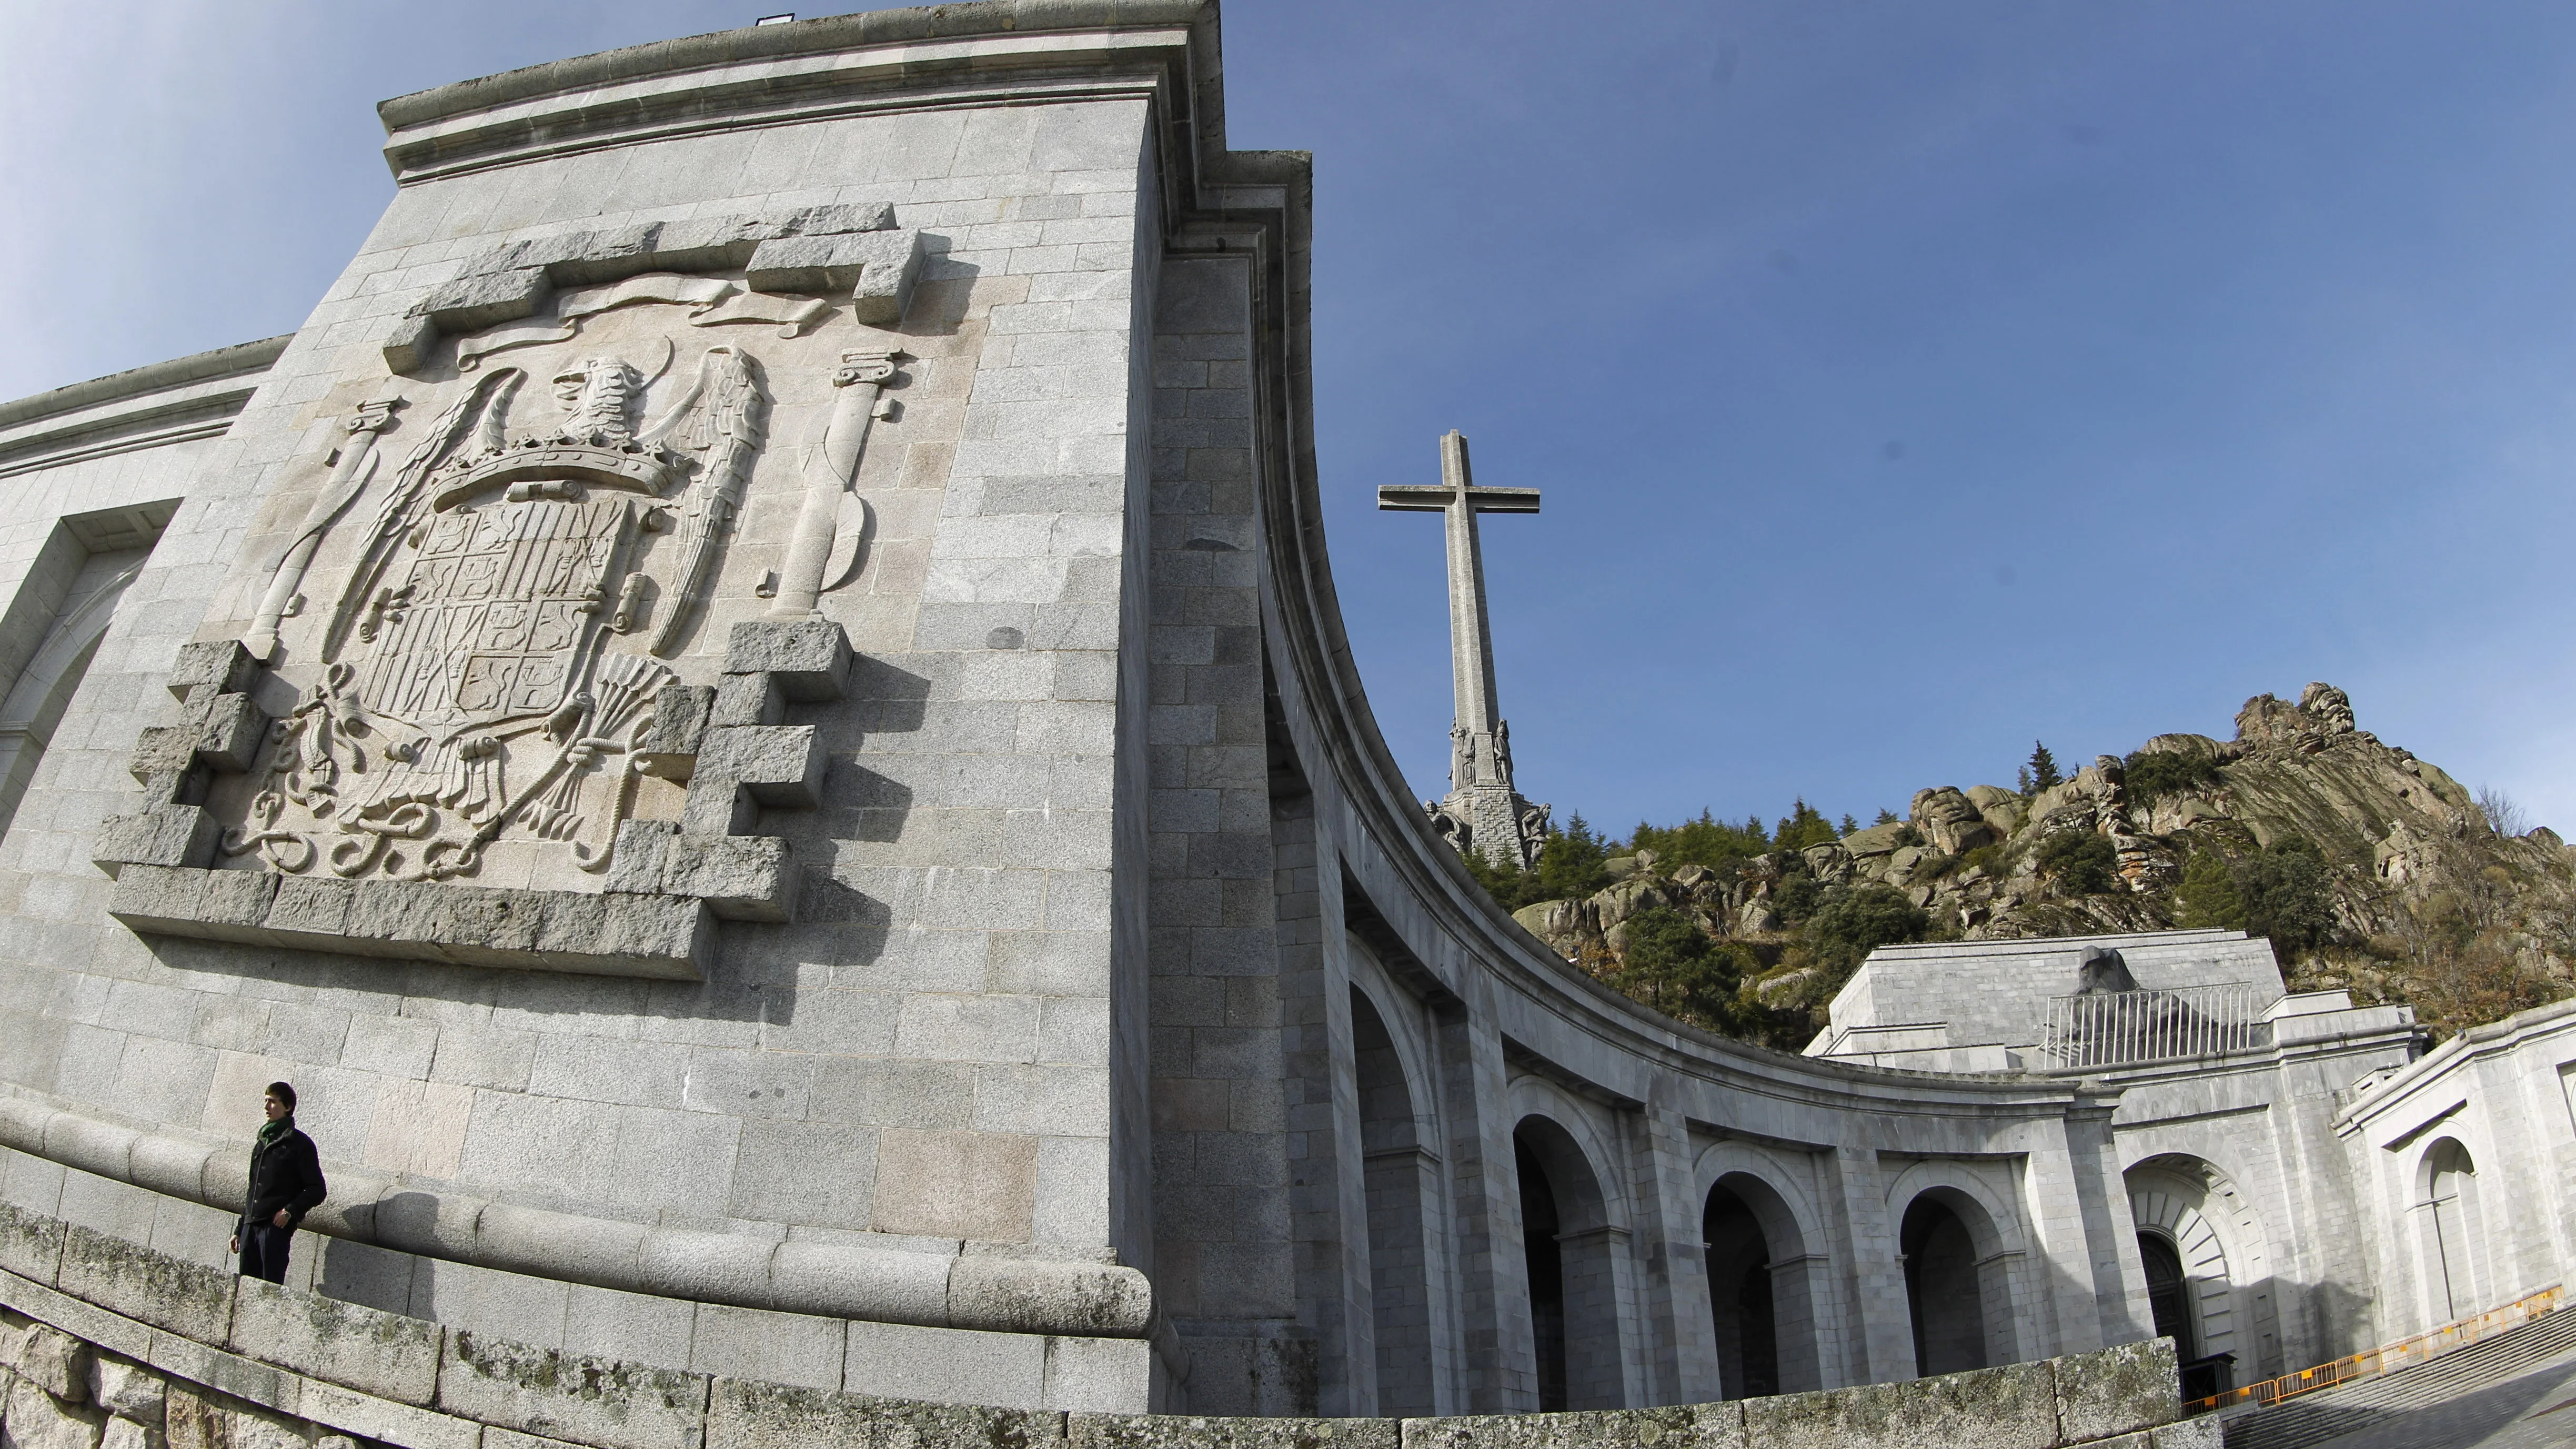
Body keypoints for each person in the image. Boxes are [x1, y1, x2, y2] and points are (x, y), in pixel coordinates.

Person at [229, 1081, 326, 1284]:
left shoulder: (300, 1144)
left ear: (288, 1107)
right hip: (250, 1228)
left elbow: (317, 1189)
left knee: (269, 1288)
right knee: (245, 1287)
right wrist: (240, 1229)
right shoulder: (262, 1142)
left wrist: (289, 1211)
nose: (267, 1107)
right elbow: (252, 1189)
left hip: (274, 1230)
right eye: (266, 1101)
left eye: (272, 1102)